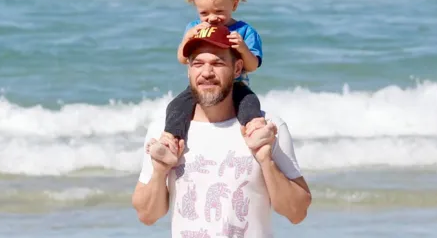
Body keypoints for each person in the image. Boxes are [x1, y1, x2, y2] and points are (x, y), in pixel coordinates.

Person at [132, 24, 312, 237]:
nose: (206, 72)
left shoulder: (266, 128)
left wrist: (266, 161)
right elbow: (147, 215)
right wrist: (160, 171)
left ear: (237, 69)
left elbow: (297, 212)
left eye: (217, 63)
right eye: (198, 63)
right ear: (189, 69)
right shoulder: (166, 132)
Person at [148, 0, 266, 165]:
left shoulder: (245, 31)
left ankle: (255, 130)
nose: (212, 18)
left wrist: (243, 48)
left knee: (249, 102)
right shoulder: (194, 27)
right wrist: (187, 39)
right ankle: (170, 140)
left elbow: (253, 65)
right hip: (201, 86)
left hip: (234, 84)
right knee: (177, 105)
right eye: (204, 13)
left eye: (219, 11)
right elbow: (182, 58)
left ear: (234, 4)